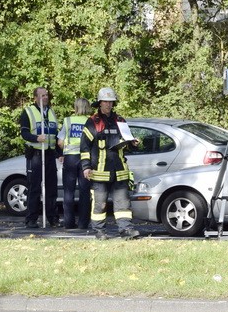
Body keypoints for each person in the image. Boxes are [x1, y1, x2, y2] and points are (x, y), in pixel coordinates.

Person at [80, 87, 140, 239]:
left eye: (111, 102)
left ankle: (126, 230)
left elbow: (127, 141)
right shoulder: (93, 122)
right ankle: (99, 231)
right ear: (99, 103)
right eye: (105, 101)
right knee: (99, 204)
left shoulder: (120, 121)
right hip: (99, 172)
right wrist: (86, 167)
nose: (108, 105)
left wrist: (133, 143)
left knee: (123, 205)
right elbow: (85, 146)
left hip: (119, 171)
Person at [19, 86, 60, 228]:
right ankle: (31, 219)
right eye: (42, 96)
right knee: (34, 188)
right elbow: (24, 134)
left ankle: (53, 218)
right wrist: (36, 138)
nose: (45, 98)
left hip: (49, 154)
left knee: (51, 188)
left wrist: (60, 153)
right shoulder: (28, 112)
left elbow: (55, 135)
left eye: (46, 95)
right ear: (35, 98)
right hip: (35, 155)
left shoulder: (51, 112)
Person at [58, 97, 93, 229]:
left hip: (70, 159)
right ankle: (83, 223)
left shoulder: (68, 121)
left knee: (68, 192)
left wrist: (64, 151)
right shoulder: (90, 121)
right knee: (85, 192)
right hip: (86, 159)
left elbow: (60, 142)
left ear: (75, 107)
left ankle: (68, 222)